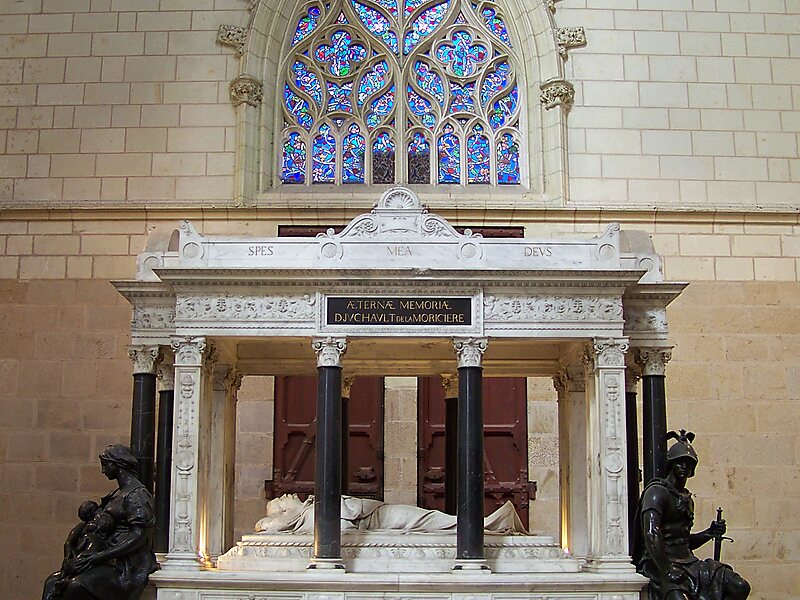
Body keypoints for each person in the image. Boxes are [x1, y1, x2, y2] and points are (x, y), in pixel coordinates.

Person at [634, 430, 751, 600]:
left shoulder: (686, 498)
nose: (684, 466)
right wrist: (666, 570)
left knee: (739, 586)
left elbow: (684, 541)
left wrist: (709, 533)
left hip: (689, 563)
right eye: (679, 462)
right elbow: (651, 534)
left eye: (688, 463)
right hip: (660, 564)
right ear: (671, 464)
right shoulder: (656, 492)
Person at [42, 445, 158, 600]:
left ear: (117, 464)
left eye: (105, 465)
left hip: (127, 565)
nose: (103, 471)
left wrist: (99, 557)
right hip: (106, 556)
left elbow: (139, 537)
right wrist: (69, 543)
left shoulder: (137, 494)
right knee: (52, 583)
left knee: (76, 585)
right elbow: (89, 521)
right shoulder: (116, 494)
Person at [255, 493, 527, 535]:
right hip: (379, 520)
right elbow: (345, 530)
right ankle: (490, 525)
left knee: (430, 518)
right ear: (285, 513)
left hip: (379, 514)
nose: (284, 495)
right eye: (280, 501)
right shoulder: (309, 516)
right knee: (428, 521)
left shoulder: (311, 507)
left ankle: (488, 524)